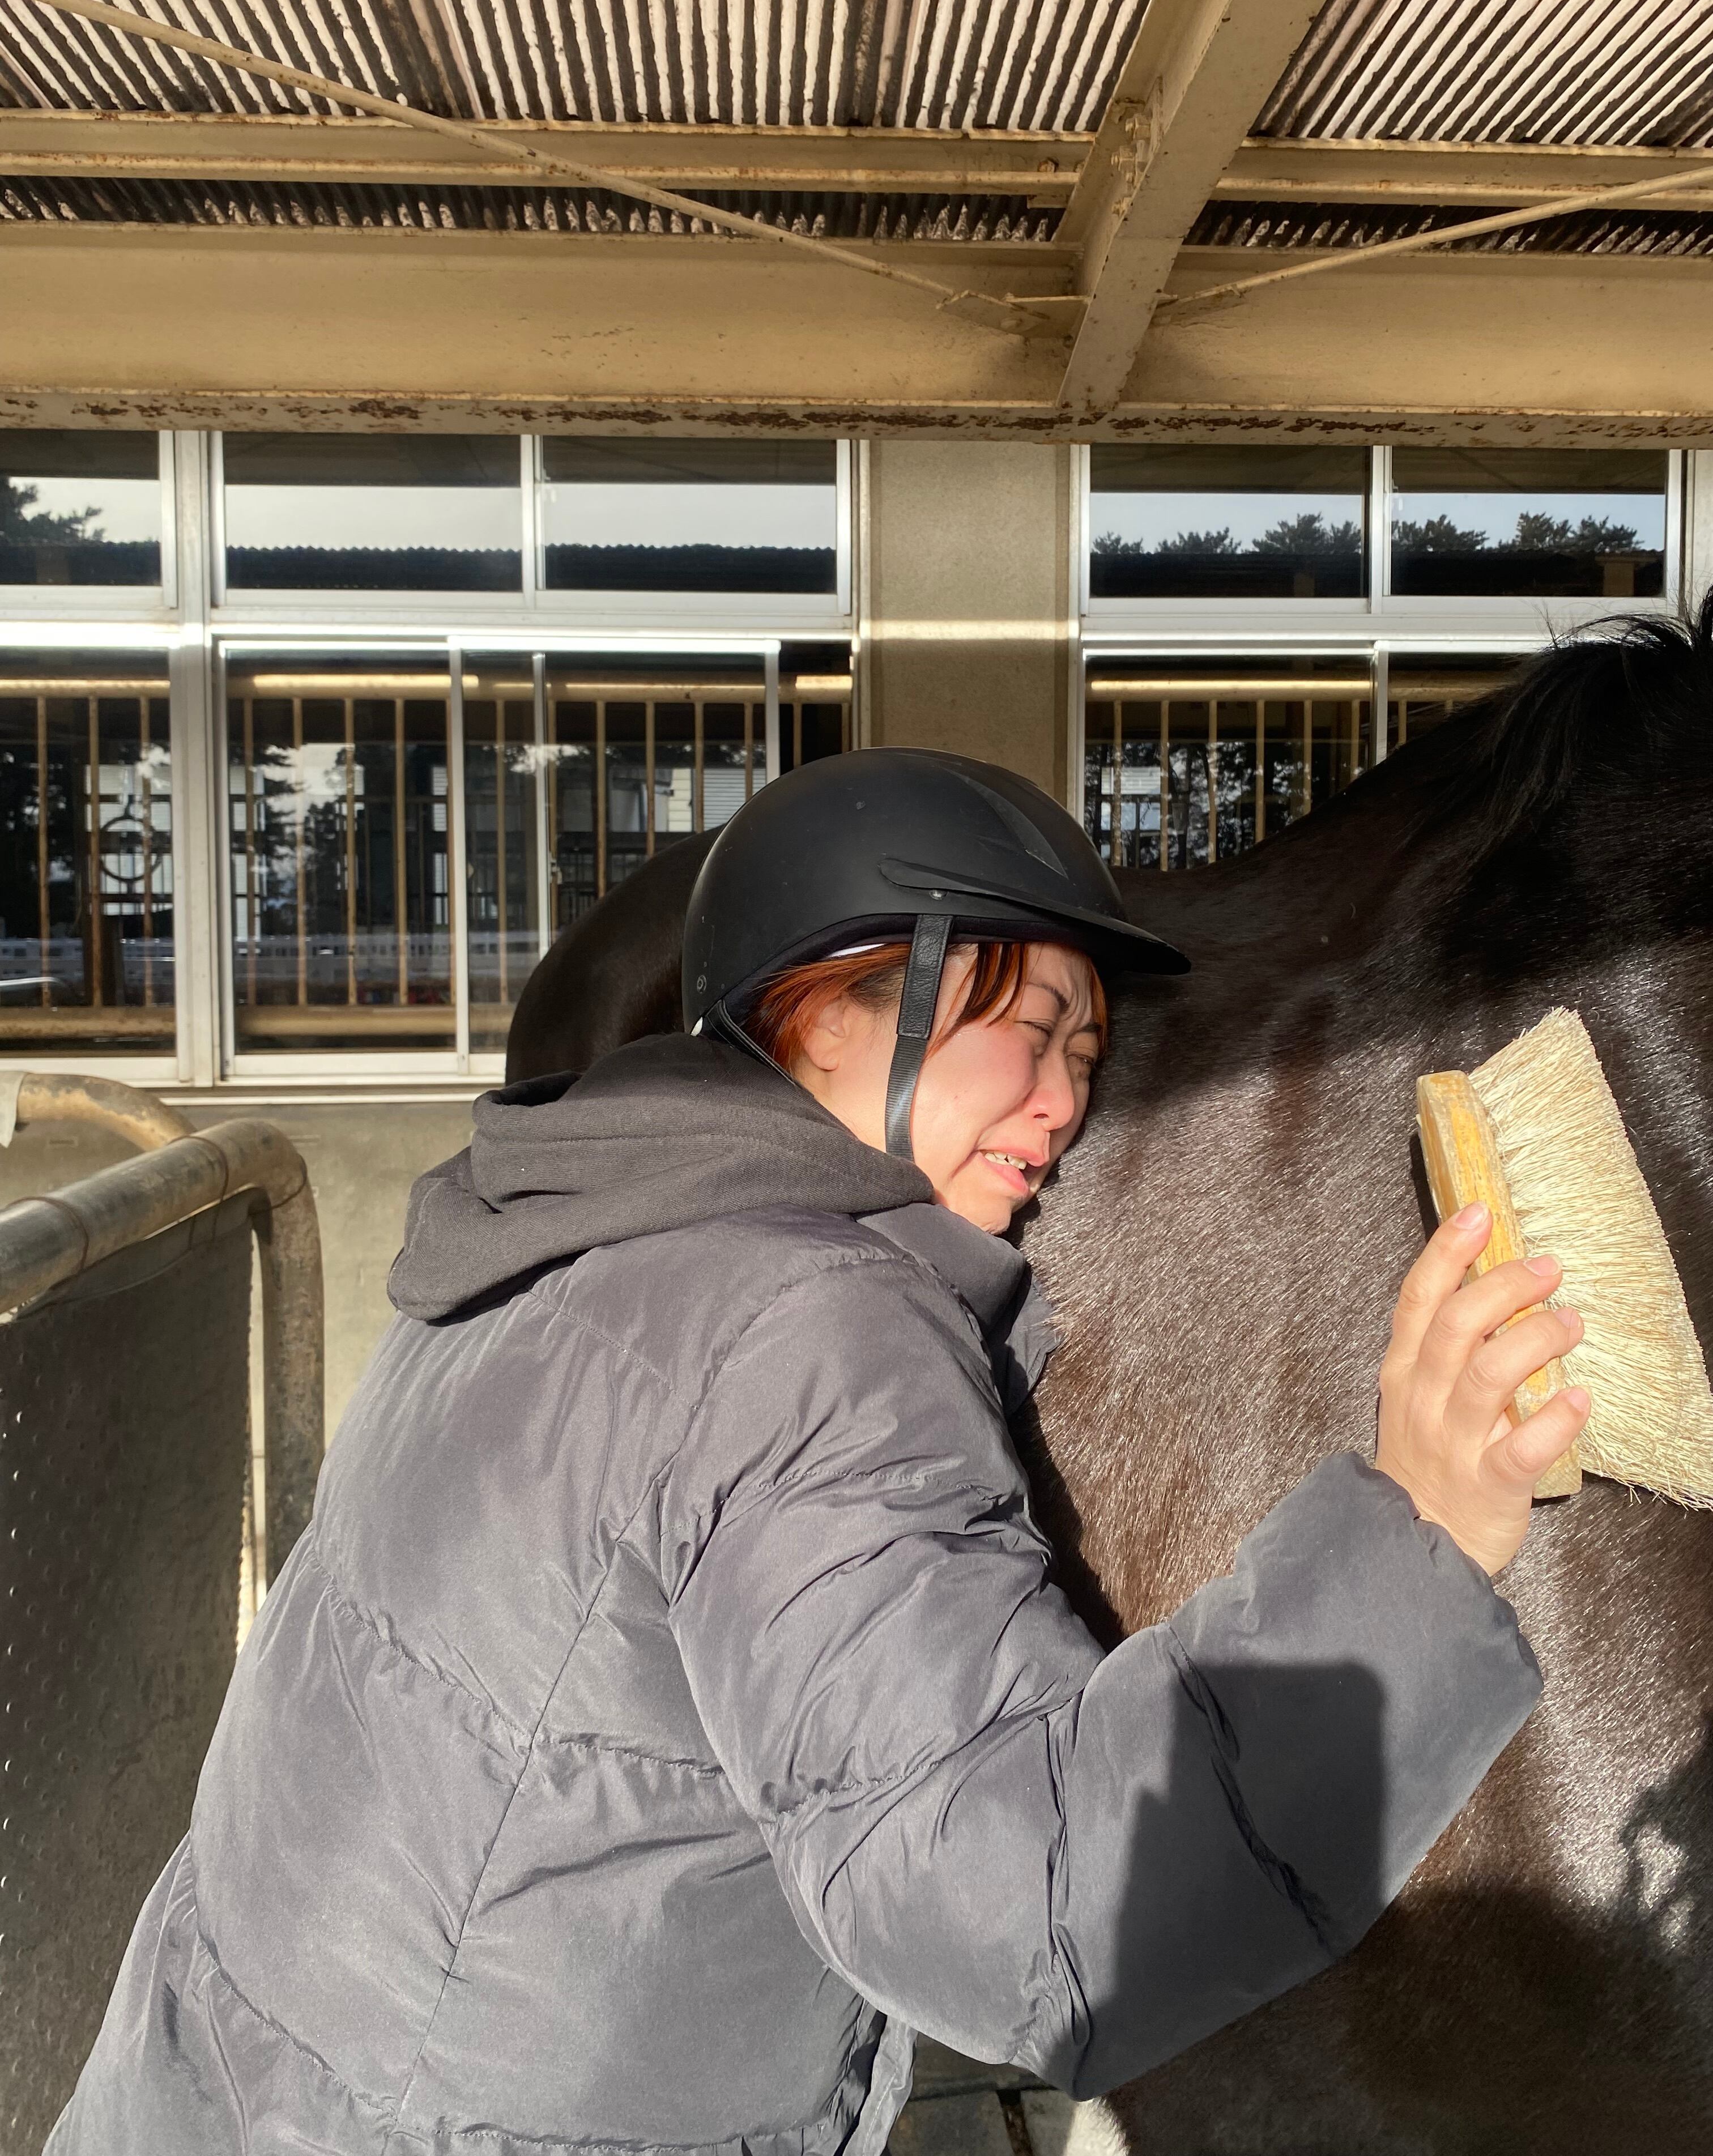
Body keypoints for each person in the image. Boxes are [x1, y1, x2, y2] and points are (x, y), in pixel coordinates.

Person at [51, 749, 1586, 2156]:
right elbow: (1031, 1919)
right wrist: (1420, 1538)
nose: (1065, 1102)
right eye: (1025, 1030)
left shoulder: (558, 1222)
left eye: (1089, 1050)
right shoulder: (805, 1325)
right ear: (821, 1006)